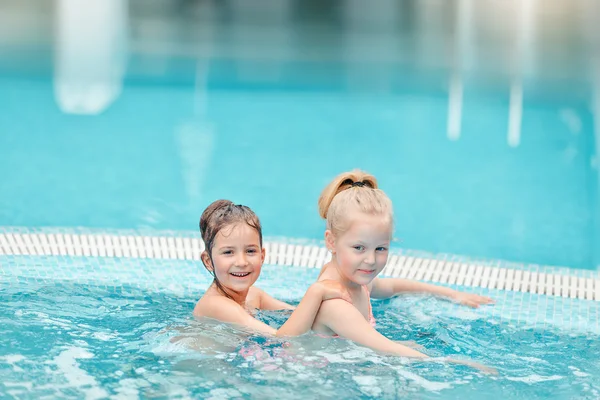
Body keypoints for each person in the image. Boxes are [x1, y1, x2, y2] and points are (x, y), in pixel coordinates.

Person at [311, 170, 496, 372]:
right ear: (331, 241)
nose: (371, 260)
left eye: (380, 248)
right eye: (359, 248)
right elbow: (387, 349)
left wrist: (453, 294)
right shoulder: (336, 304)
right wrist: (460, 364)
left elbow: (392, 286)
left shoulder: (355, 279)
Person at [193, 199, 351, 337]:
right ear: (208, 260)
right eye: (228, 252)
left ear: (262, 256)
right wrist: (317, 291)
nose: (241, 262)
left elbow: (299, 315)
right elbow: (283, 338)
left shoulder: (254, 296)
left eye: (250, 251)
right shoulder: (215, 305)